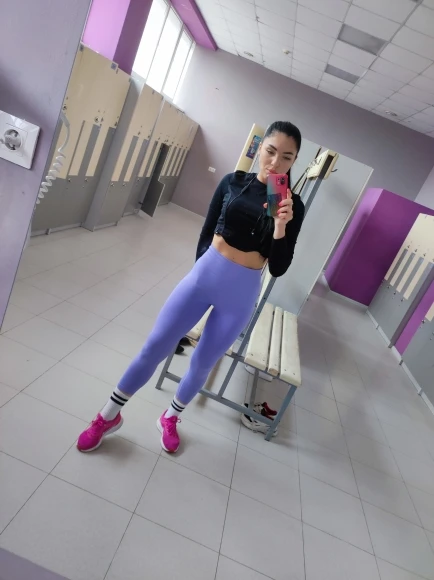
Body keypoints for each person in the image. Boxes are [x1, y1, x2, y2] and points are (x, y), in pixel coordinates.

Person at [77, 121, 305, 454]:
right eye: (271, 151)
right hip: (204, 276)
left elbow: (280, 267)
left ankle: (170, 417)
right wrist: (201, 273)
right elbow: (207, 231)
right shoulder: (232, 182)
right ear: (260, 149)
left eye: (287, 157)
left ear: (294, 161)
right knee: (155, 345)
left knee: (203, 362)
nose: (275, 162)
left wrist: (281, 226)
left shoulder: (292, 205)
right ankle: (108, 415)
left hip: (241, 293)